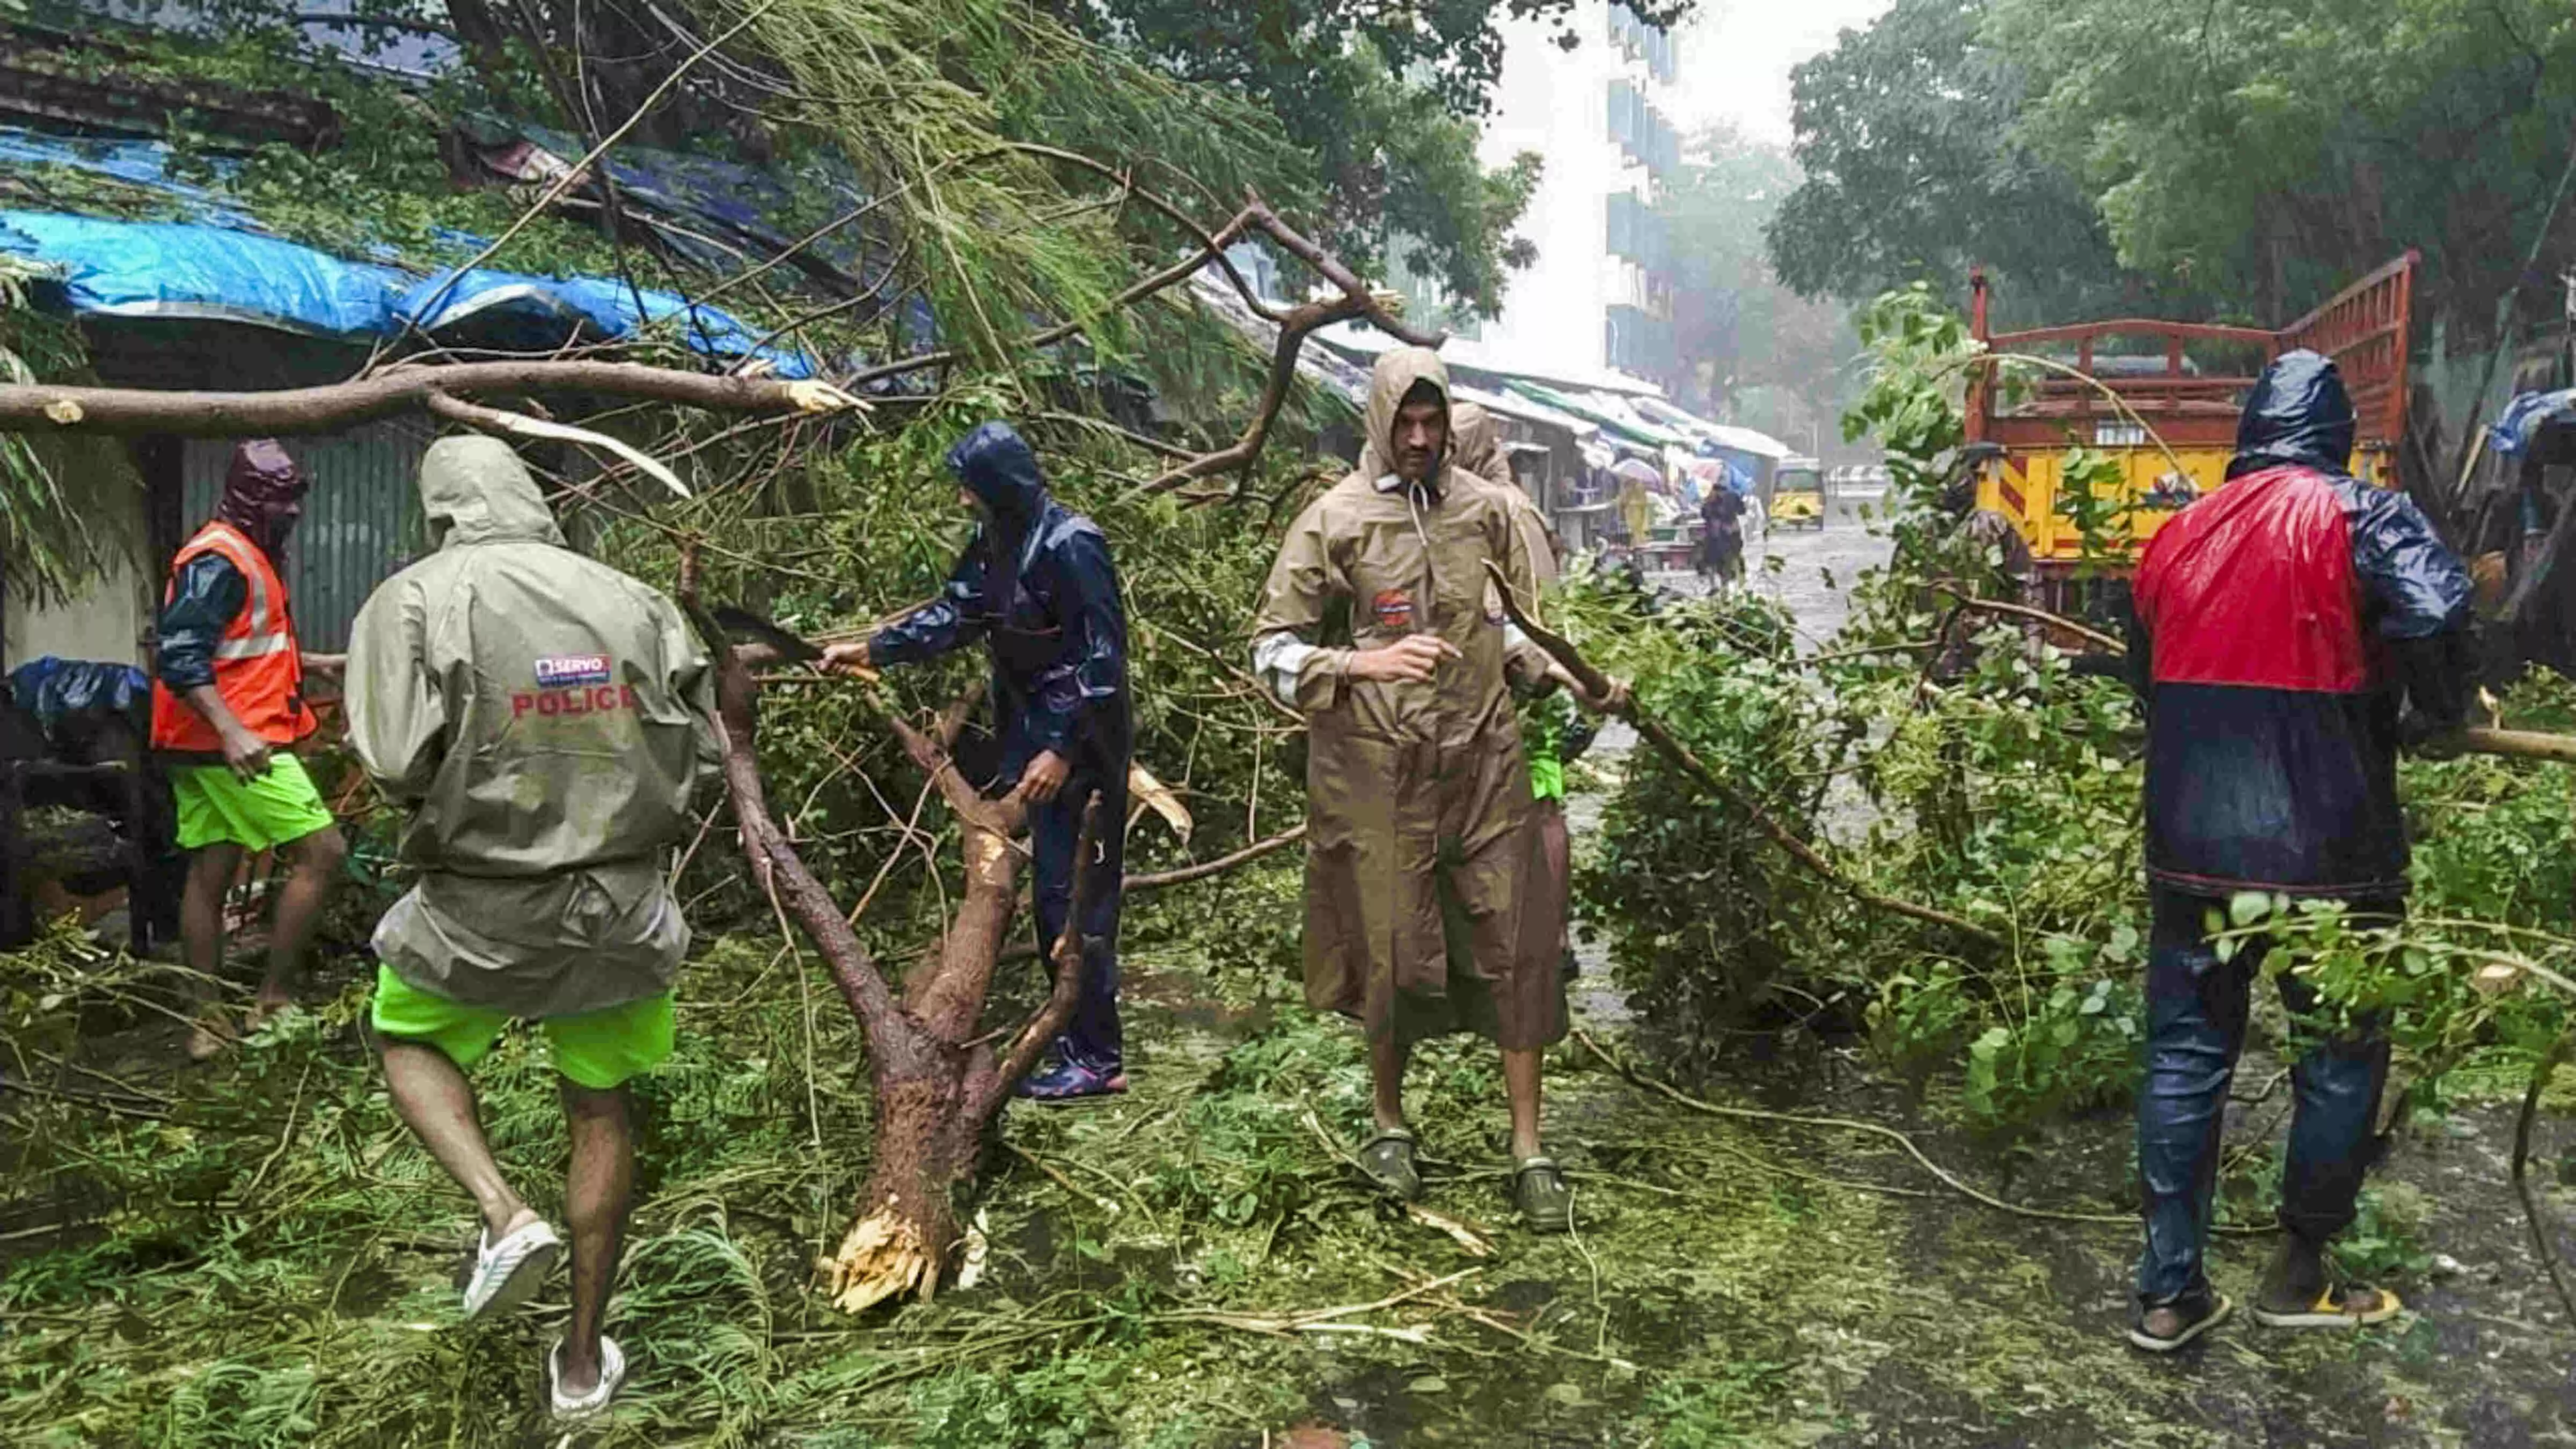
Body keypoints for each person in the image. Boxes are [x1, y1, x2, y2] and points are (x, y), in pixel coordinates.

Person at [345, 435, 719, 1417]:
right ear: (531, 497)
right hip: (622, 905)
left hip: (478, 902)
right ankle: (584, 1365)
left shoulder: (414, 599)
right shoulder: (637, 598)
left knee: (405, 1035)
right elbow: (705, 745)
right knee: (599, 1110)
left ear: (438, 509)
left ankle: (504, 1213)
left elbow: (393, 761)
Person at [2123, 350, 2472, 1352]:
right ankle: (2298, 1273)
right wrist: (2436, 713)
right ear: (2335, 438)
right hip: (2334, 851)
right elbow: (2439, 608)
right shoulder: (2365, 516)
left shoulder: (2176, 536)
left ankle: (2169, 1294)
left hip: (2191, 846)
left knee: (2186, 1055)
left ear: (2250, 435)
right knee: (2338, 1052)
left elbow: (2144, 678)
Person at [1252, 348, 1620, 1232]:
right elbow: (1269, 651)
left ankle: (1529, 1150)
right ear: (1380, 420)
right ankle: (1390, 1126)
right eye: (1405, 422)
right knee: (1389, 949)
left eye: (1433, 422)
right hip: (1378, 776)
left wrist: (1568, 677)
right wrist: (1361, 665)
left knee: (1518, 945)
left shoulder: (1486, 512)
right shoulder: (1334, 521)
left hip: (1485, 768)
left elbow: (1515, 631)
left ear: (1451, 422)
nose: (1419, 439)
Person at [822, 421, 1132, 1101]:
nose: (963, 500)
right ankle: (1080, 1041)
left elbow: (1102, 661)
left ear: (1000, 485)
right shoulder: (997, 542)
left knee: (1077, 896)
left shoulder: (1072, 543)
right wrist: (874, 648)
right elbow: (957, 615)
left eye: (971, 488)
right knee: (1052, 891)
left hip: (1084, 746)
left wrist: (1061, 748)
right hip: (1036, 731)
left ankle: (1098, 1058)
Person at [148, 440, 346, 1059]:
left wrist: (313, 663)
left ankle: (207, 1024)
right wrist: (232, 731)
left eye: (295, 498)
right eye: (280, 499)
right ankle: (273, 1001)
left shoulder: (246, 552)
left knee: (211, 870)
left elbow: (239, 647)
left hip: (202, 742)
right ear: (248, 497)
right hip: (230, 744)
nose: (292, 511)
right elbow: (180, 656)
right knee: (323, 852)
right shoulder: (218, 559)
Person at [1699, 480, 1746, 584]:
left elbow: (1705, 514)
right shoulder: (1733, 496)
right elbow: (1742, 511)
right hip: (1726, 535)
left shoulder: (1711, 500)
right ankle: (1727, 582)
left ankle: (1719, 584)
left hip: (1717, 536)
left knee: (1715, 561)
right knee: (1729, 560)